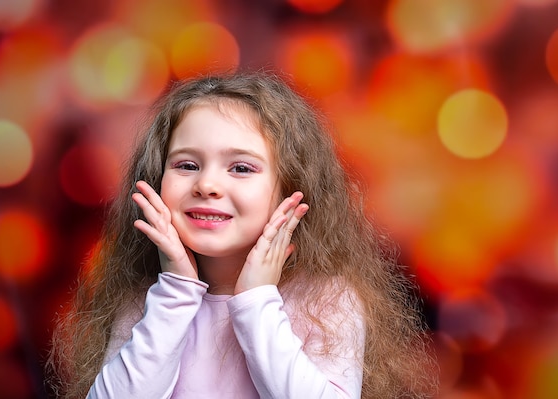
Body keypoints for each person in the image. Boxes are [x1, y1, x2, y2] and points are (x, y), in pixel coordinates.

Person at [47, 71, 438, 398]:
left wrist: (255, 302)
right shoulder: (147, 302)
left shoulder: (327, 303)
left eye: (241, 168)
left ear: (291, 187)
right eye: (186, 165)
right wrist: (176, 291)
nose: (207, 184)